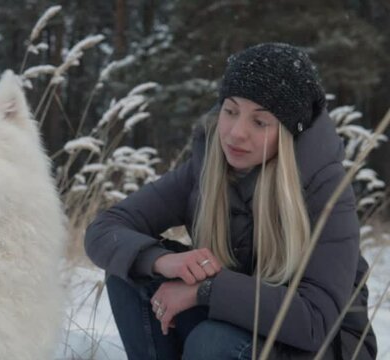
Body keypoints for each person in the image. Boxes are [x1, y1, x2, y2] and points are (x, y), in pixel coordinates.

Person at [84, 43, 377, 359]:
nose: (236, 133)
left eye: (259, 122)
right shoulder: (206, 169)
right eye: (231, 111)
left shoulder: (325, 187)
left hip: (321, 346)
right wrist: (159, 261)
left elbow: (314, 321)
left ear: (289, 132)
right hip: (236, 328)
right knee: (130, 273)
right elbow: (105, 229)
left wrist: (206, 290)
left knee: (214, 341)